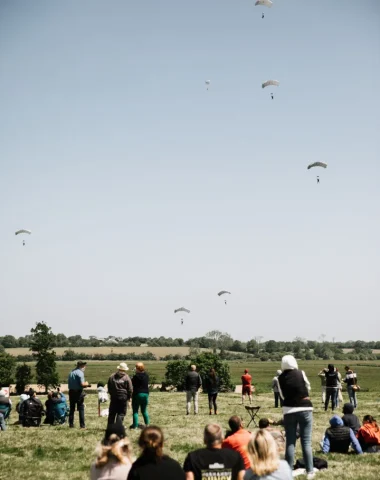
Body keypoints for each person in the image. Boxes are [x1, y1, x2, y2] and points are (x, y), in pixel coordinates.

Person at [277, 355, 314, 480]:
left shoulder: (279, 378)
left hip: (289, 409)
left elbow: (282, 395)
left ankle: (288, 471)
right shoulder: (301, 373)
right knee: (306, 441)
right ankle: (309, 471)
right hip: (305, 407)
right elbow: (308, 387)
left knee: (290, 442)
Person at [68, 360, 91, 429]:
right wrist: (87, 384)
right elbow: (82, 384)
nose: (85, 367)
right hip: (78, 392)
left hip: (71, 392)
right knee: (81, 408)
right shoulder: (80, 373)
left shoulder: (71, 372)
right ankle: (82, 425)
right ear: (82, 366)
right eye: (84, 365)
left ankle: (71, 424)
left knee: (72, 408)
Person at [131, 362, 149, 429]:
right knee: (144, 410)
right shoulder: (146, 375)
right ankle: (147, 425)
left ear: (138, 369)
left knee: (135, 411)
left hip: (137, 394)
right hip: (145, 394)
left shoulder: (136, 377)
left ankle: (135, 425)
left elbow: (132, 383)